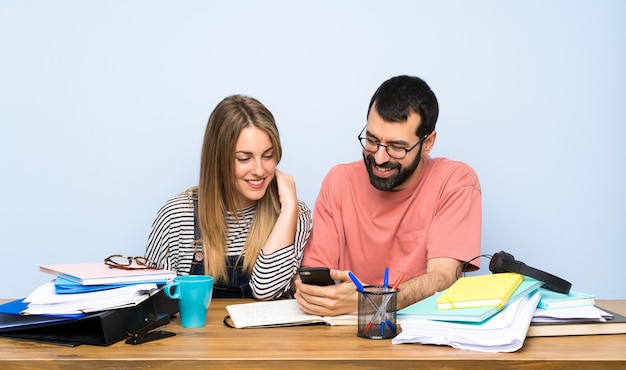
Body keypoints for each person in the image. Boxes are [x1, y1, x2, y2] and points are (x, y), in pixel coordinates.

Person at [295, 75, 481, 316]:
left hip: (421, 338)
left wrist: (368, 301)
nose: (380, 158)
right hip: (347, 336)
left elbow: (443, 278)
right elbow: (315, 275)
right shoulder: (339, 181)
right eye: (371, 141)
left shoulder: (455, 181)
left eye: (397, 147)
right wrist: (312, 294)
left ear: (427, 143)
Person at [145, 95, 312, 300]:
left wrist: (288, 212)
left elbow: (265, 291)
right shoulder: (176, 216)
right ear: (218, 159)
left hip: (265, 333)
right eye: (244, 158)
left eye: (268, 156)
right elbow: (153, 304)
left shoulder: (294, 214)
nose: (259, 170)